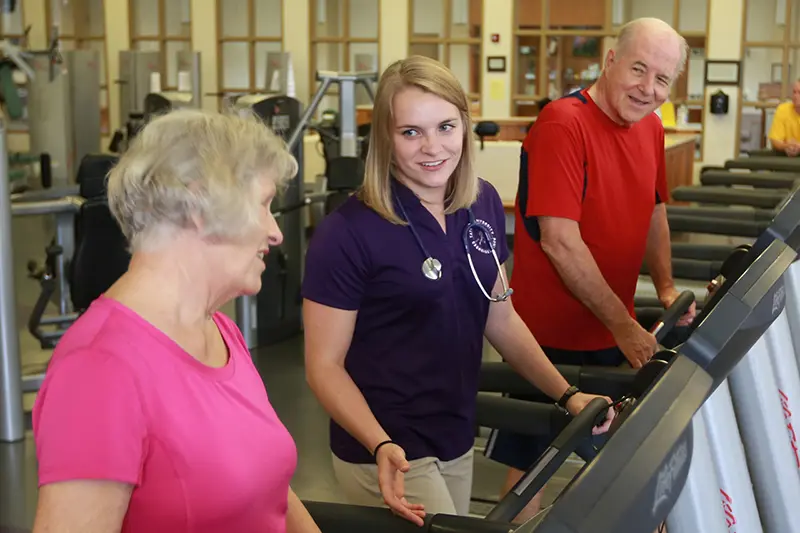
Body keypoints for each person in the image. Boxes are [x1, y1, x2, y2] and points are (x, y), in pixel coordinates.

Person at [301, 54, 616, 528]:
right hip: (388, 446)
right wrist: (380, 443)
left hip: (454, 431)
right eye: (411, 132)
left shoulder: (481, 202)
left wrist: (568, 394)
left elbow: (500, 316)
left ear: (465, 126)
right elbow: (323, 366)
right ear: (385, 139)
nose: (433, 147)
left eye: (446, 126)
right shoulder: (347, 233)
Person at [31, 109, 321, 533]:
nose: (276, 232)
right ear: (199, 205)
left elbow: (269, 490)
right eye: (264, 205)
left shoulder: (220, 331)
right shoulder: (99, 369)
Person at [484, 17, 697, 523]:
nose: (649, 89)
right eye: (639, 70)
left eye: (663, 79)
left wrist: (666, 290)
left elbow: (653, 210)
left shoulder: (650, 126)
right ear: (610, 60)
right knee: (530, 468)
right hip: (547, 340)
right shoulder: (562, 123)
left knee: (628, 460)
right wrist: (624, 326)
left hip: (609, 329)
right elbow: (560, 242)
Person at [768, 79, 800, 156]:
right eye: (794, 92)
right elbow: (775, 140)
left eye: (799, 93)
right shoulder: (783, 109)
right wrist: (787, 146)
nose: (795, 96)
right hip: (785, 158)